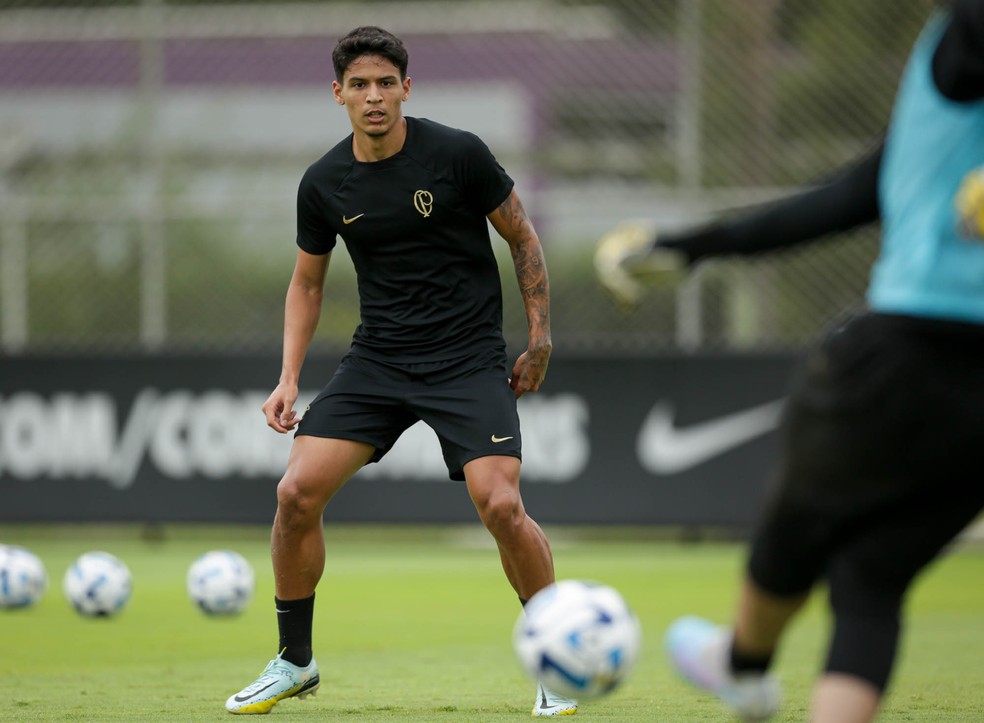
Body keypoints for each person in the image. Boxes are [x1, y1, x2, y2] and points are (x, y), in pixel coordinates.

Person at [596, 1, 984, 721]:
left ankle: (741, 663)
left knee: (797, 523)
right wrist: (692, 247)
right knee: (870, 580)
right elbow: (842, 200)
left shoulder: (960, 40)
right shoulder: (943, 128)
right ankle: (741, 663)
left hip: (906, 350)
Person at [226, 26, 577, 717]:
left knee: (501, 505)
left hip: (467, 359)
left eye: (386, 83)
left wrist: (539, 337)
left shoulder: (458, 154)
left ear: (406, 89)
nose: (374, 96)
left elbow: (522, 236)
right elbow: (306, 283)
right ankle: (294, 662)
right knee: (295, 494)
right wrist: (289, 376)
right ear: (338, 94)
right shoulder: (324, 182)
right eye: (359, 85)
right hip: (380, 360)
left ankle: (559, 658)